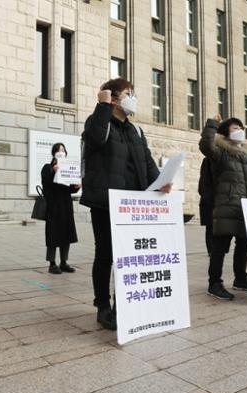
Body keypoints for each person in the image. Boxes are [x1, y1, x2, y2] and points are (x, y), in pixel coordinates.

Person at [81, 77, 171, 330]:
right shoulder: (99, 121)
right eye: (128, 93)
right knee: (106, 255)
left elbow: (147, 161)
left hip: (134, 206)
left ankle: (125, 304)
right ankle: (102, 305)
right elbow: (95, 140)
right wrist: (102, 107)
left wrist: (161, 181)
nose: (133, 98)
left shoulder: (135, 130)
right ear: (113, 98)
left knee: (129, 257)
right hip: (106, 202)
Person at [199, 115, 247, 301]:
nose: (240, 130)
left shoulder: (246, 157)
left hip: (246, 209)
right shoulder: (219, 151)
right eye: (235, 128)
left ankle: (240, 278)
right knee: (220, 247)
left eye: (241, 127)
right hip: (226, 207)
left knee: (243, 245)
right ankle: (214, 283)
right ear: (225, 133)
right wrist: (211, 124)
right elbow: (205, 145)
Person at [41, 143, 80, 274]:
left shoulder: (67, 168)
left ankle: (64, 262)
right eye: (58, 150)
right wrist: (54, 171)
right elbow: (46, 184)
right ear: (53, 153)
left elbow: (70, 189)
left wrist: (76, 186)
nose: (61, 152)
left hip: (66, 206)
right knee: (53, 235)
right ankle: (52, 263)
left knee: (66, 234)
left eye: (63, 150)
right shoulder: (47, 168)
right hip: (53, 206)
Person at [198, 158, 214, 255]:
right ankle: (211, 250)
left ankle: (214, 250)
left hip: (220, 200)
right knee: (211, 227)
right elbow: (203, 183)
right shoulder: (208, 160)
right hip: (210, 201)